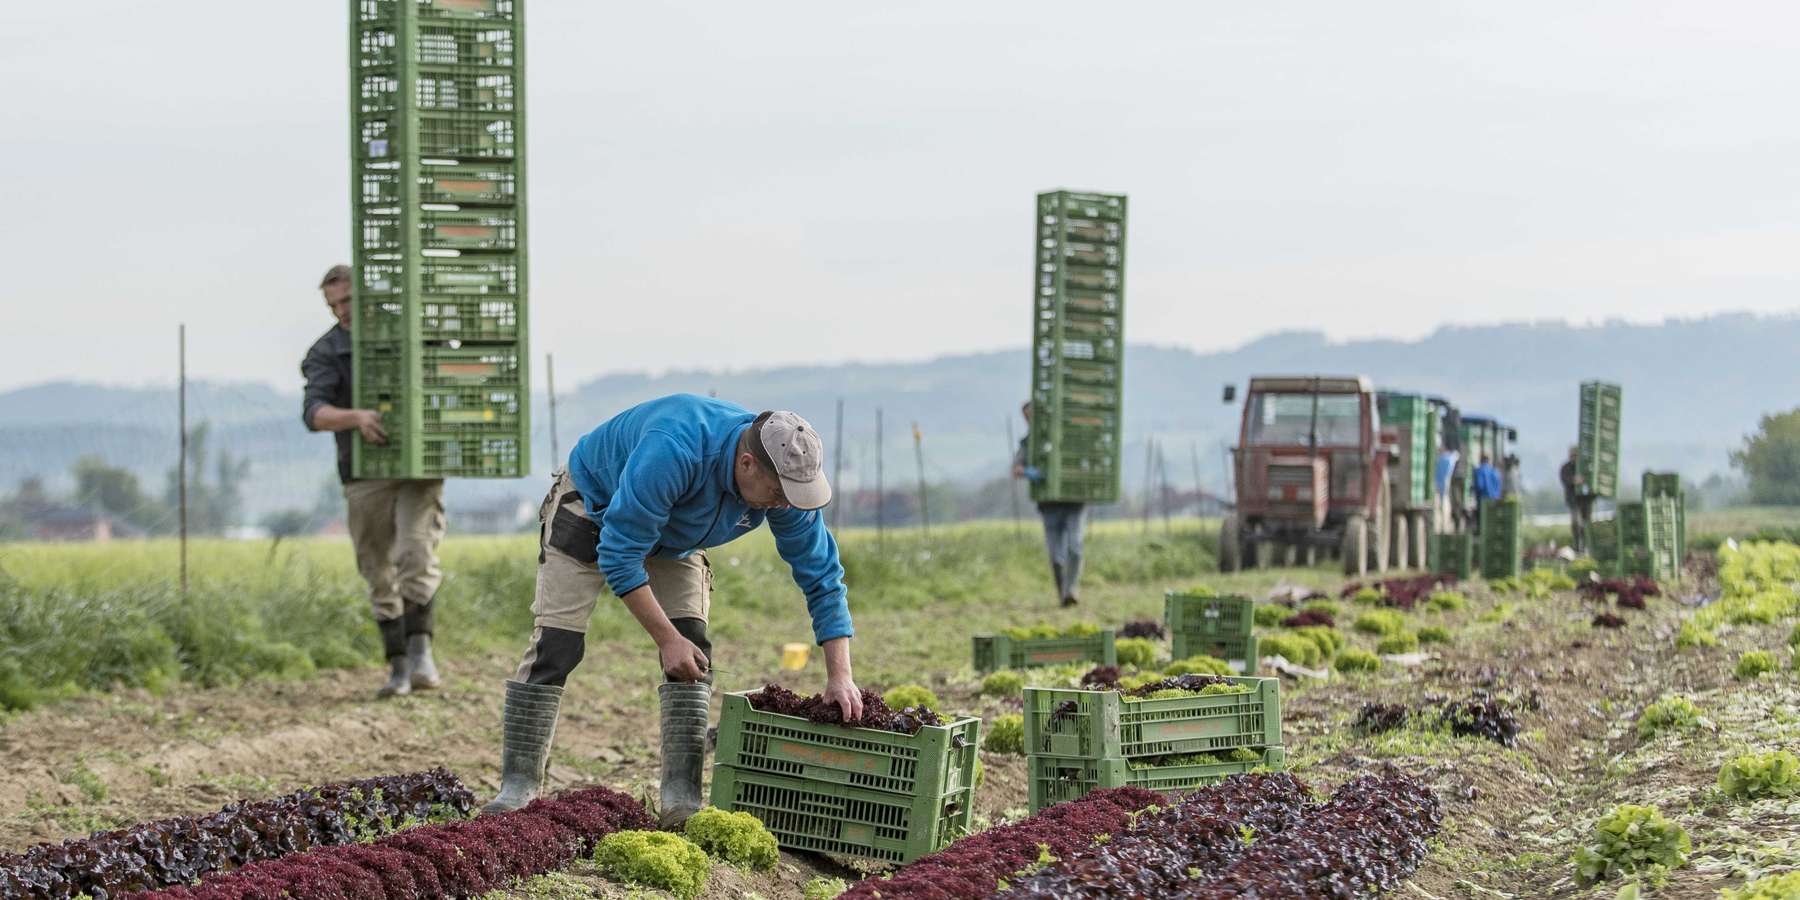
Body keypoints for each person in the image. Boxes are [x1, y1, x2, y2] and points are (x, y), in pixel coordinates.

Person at [482, 394, 857, 827]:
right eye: (778, 493)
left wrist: (840, 675)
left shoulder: (784, 488)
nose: (785, 505)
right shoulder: (675, 449)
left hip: (677, 535)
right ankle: (518, 788)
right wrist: (665, 639)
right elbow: (620, 554)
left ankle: (682, 798)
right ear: (747, 463)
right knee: (557, 644)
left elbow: (821, 576)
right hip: (592, 507)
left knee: (692, 649)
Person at [301, 264, 445, 699]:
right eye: (333, 305)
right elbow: (314, 413)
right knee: (376, 566)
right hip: (363, 472)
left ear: (366, 295)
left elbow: (447, 362)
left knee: (416, 552)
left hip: (417, 467)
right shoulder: (326, 351)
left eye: (347, 300)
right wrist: (357, 418)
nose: (342, 311)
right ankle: (397, 665)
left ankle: (421, 655)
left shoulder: (408, 332)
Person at [1012, 401, 1086, 607]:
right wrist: (1029, 472)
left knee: (1075, 547)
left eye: (1032, 416)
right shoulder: (1028, 443)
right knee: (1056, 555)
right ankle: (1063, 594)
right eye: (1027, 418)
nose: (1030, 421)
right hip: (1049, 505)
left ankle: (1071, 590)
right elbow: (1016, 468)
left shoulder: (1069, 435)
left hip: (1073, 502)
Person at [1559, 446, 1595, 554]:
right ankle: (1577, 546)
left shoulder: (1587, 467)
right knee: (1576, 523)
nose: (1574, 457)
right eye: (1572, 455)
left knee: (1586, 524)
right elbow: (1565, 480)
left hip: (1586, 500)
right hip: (1573, 500)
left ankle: (1586, 546)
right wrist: (1574, 480)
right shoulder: (1566, 467)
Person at [1472, 454, 1503, 530]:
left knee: (1482, 521)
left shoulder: (1479, 471)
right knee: (1491, 519)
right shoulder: (1495, 471)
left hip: (1483, 499)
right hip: (1494, 500)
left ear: (1481, 460)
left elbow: (1480, 485)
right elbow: (1499, 486)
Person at [1434, 446, 1460, 534]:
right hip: (1444, 487)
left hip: (1438, 487)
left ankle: (1440, 528)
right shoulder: (1449, 460)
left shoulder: (1441, 459)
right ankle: (1444, 529)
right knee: (1444, 507)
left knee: (1439, 508)